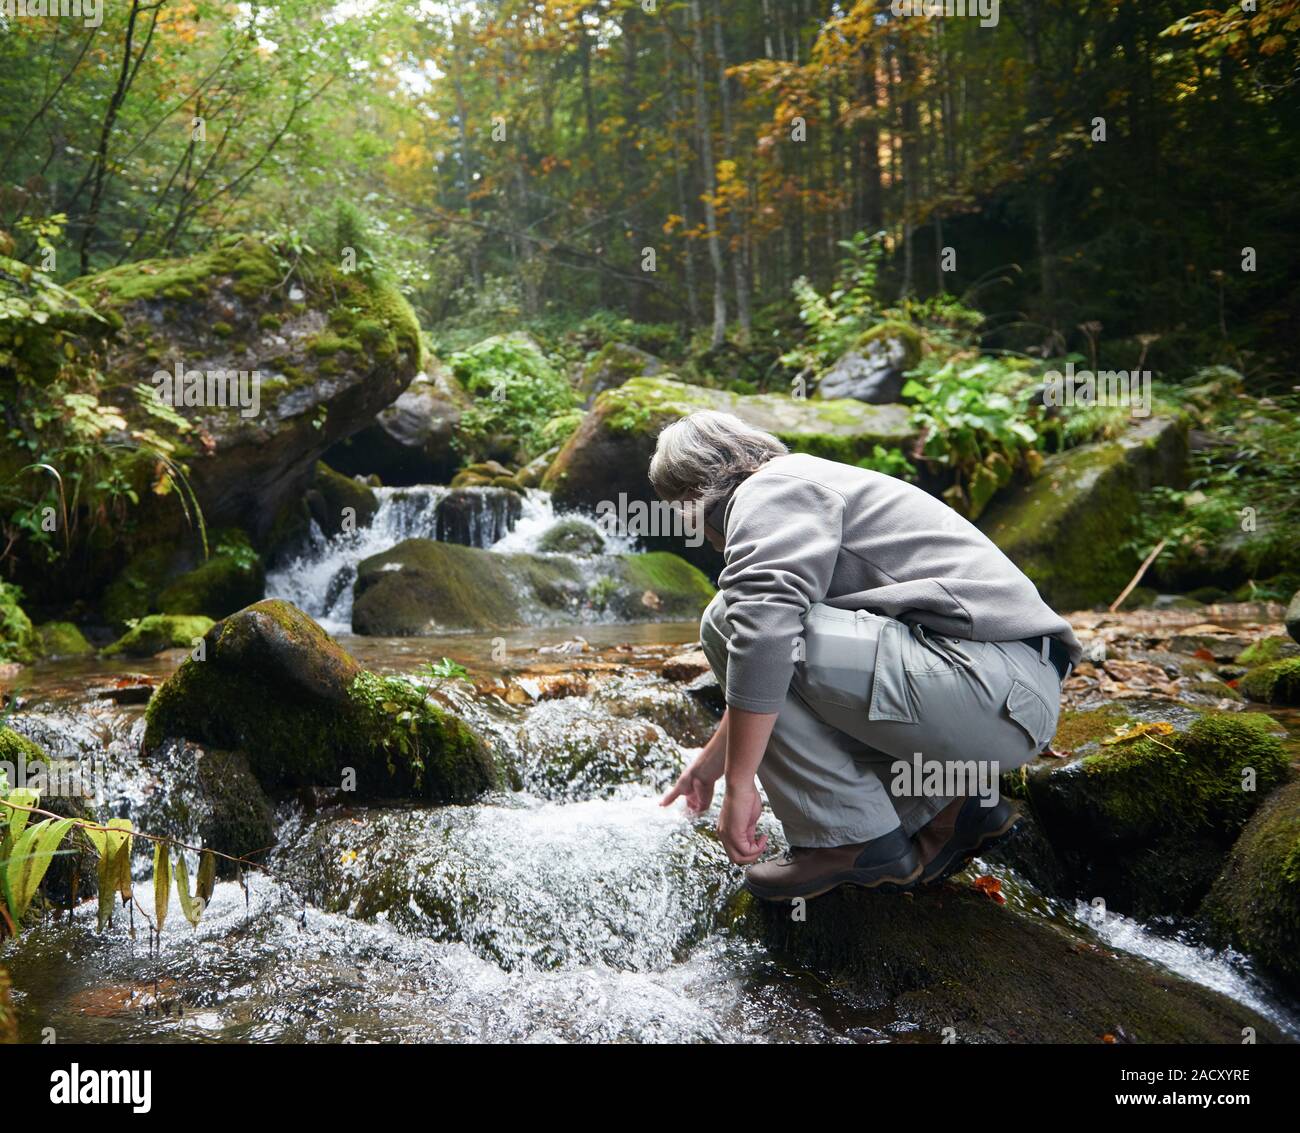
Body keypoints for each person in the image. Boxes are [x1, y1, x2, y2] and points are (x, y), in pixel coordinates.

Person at [653, 410, 1080, 901]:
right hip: (1007, 697)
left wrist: (741, 785)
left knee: (730, 617)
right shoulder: (811, 482)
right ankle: (946, 808)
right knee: (753, 627)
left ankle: (848, 841)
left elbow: (765, 635)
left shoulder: (770, 491)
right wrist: (710, 767)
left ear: (690, 498)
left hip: (989, 688)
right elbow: (779, 671)